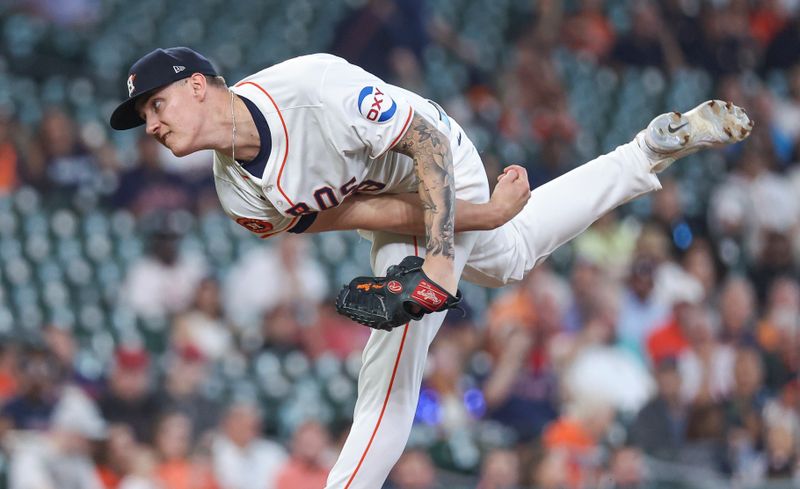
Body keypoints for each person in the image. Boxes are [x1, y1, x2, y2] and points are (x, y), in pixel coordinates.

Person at [109, 46, 752, 489]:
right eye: (143, 119)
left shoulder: (309, 87)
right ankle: (644, 153)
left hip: (440, 155)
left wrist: (442, 255)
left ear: (199, 85)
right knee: (513, 255)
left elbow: (426, 144)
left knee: (389, 377)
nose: (152, 124)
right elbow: (365, 215)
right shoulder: (237, 195)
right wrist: (487, 217)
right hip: (394, 200)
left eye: (157, 106)